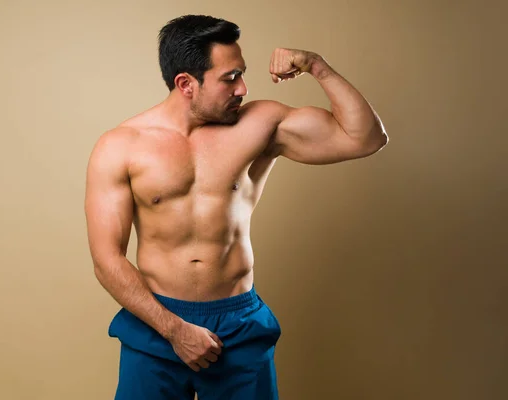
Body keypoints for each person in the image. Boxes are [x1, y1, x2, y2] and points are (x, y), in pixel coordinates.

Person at [84, 14, 388, 400]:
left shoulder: (261, 124)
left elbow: (366, 138)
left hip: (238, 324)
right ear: (186, 84)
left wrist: (317, 67)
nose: (243, 88)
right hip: (156, 323)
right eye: (230, 78)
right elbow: (106, 259)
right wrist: (176, 330)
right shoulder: (120, 146)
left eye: (241, 73)